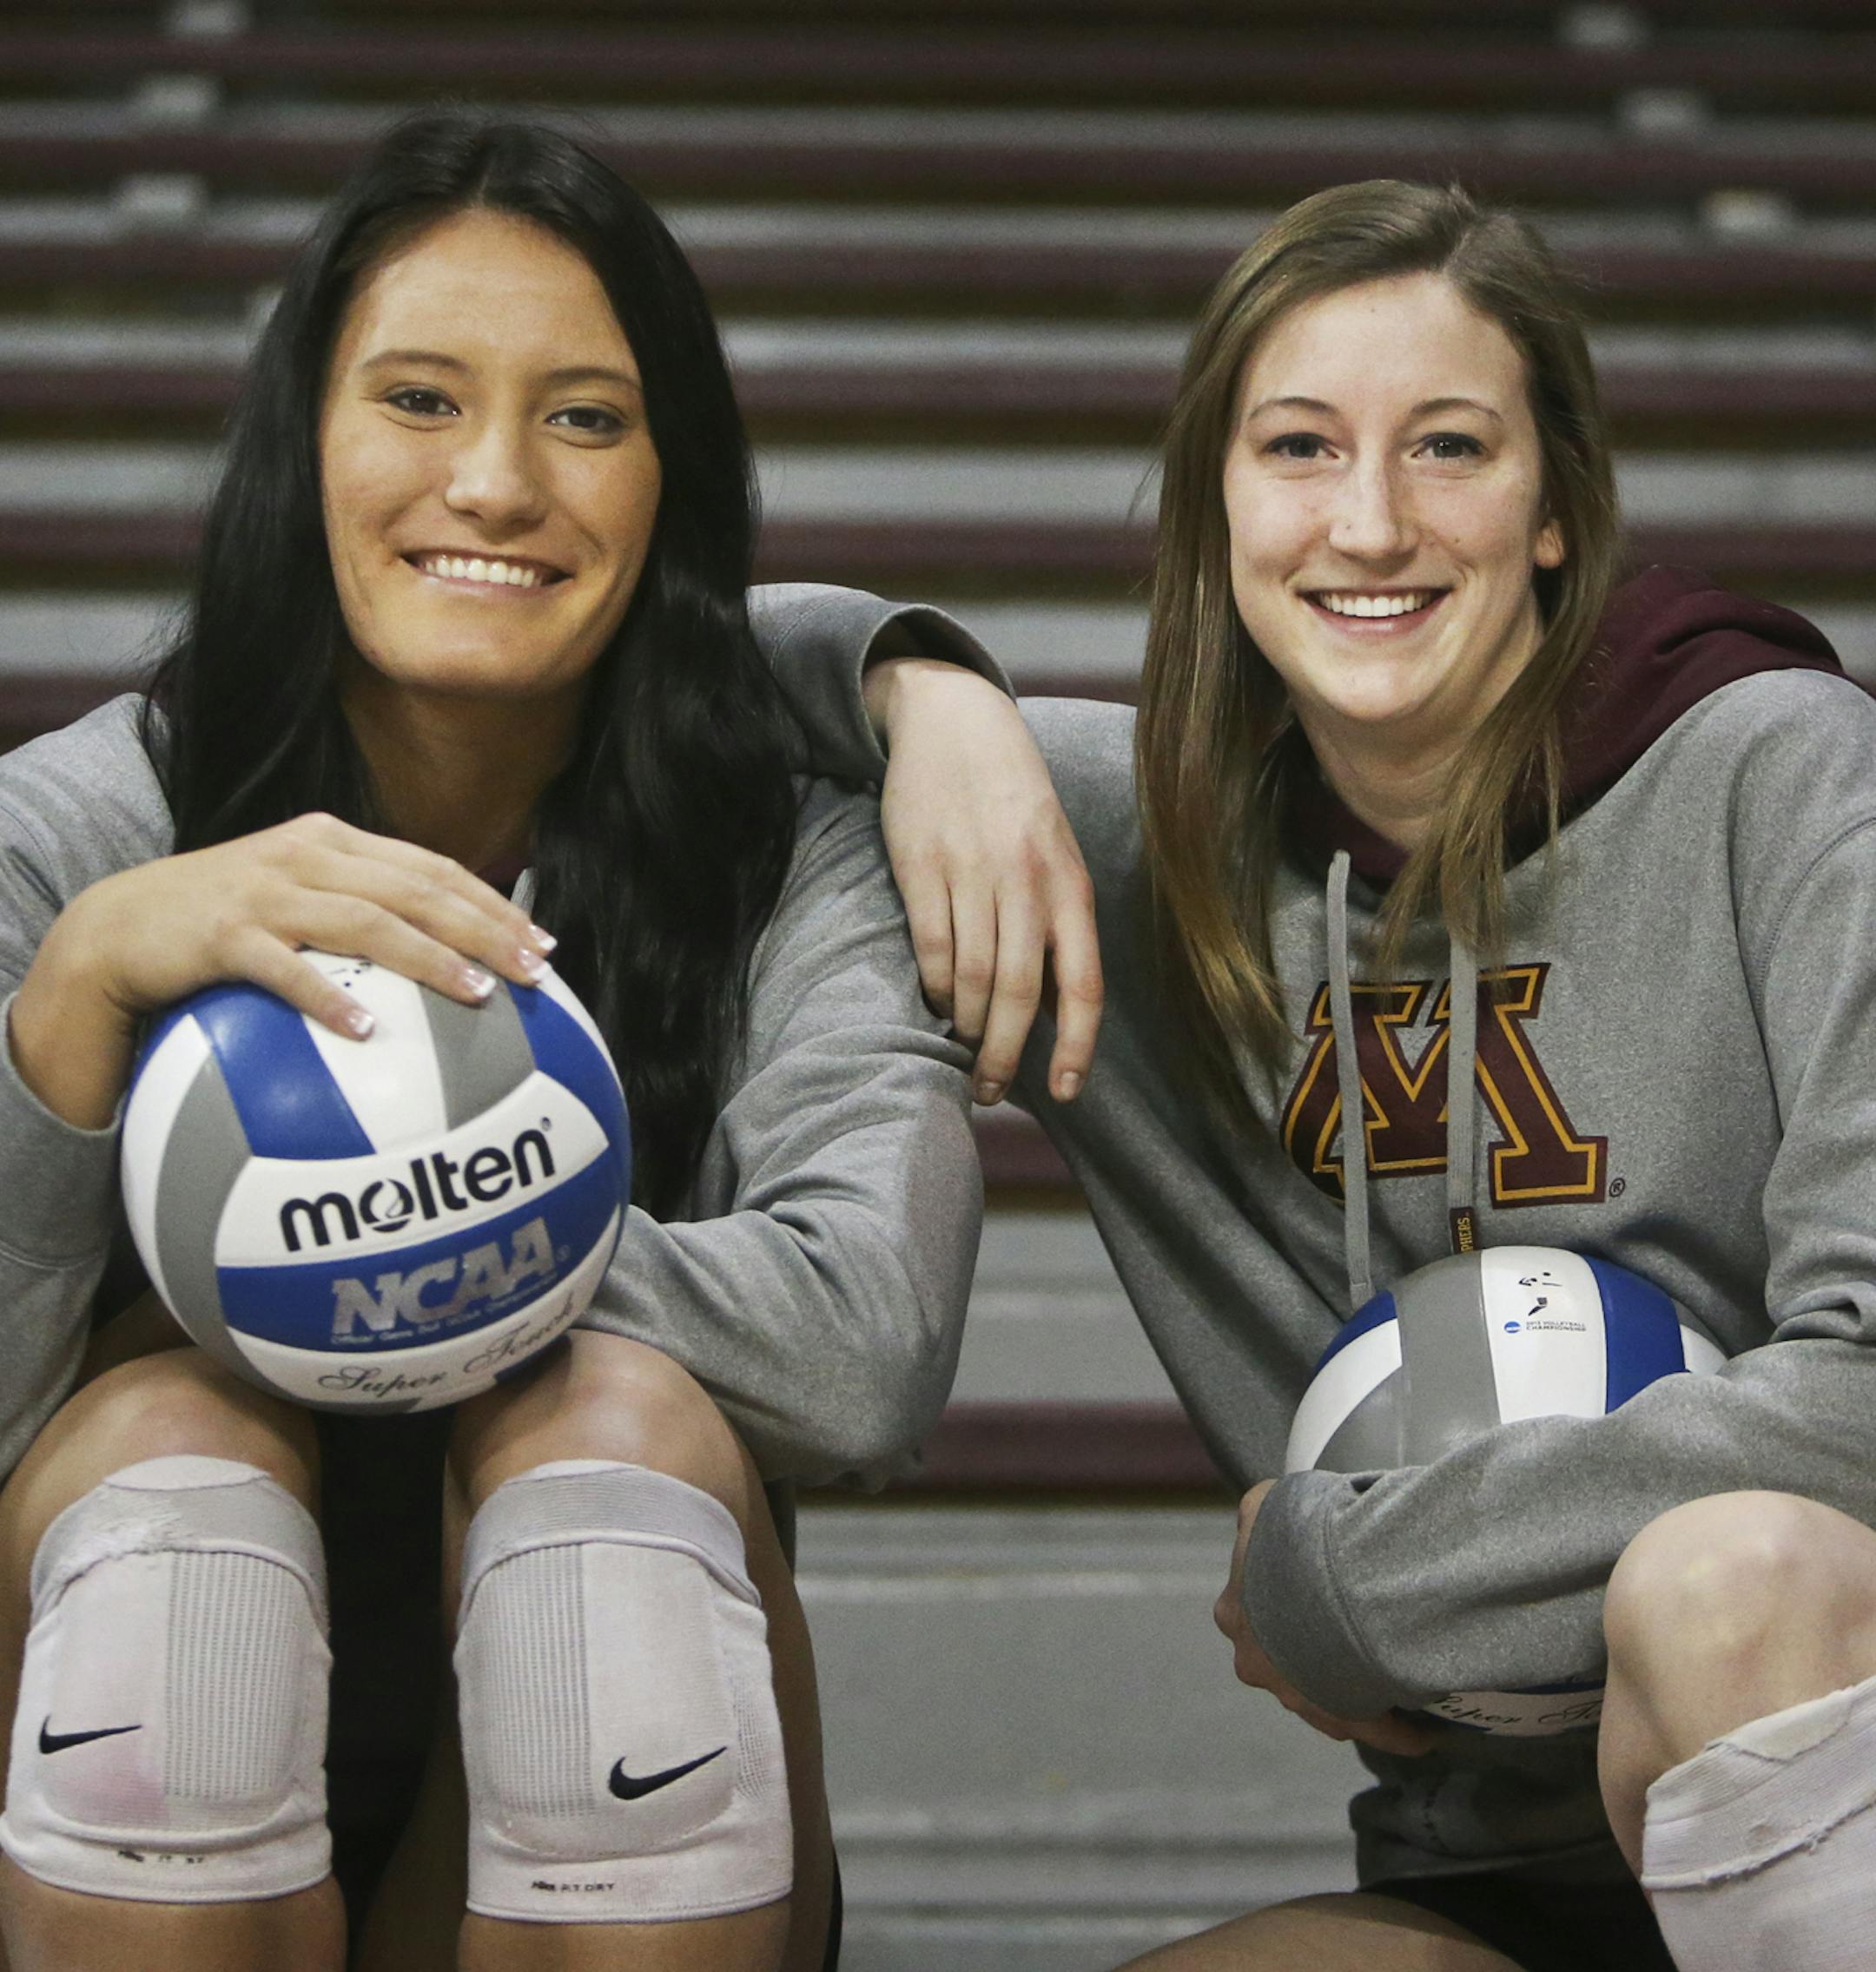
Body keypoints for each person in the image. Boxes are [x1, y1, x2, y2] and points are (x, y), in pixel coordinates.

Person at [765, 180, 1876, 1971]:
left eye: (1447, 446)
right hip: (1498, 1872)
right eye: (1300, 447)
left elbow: (1868, 1403)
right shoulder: (1137, 840)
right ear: (1218, 510)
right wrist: (922, 685)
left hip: (1821, 1744)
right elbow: (664, 673)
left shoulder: (1787, 778)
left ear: (1552, 512)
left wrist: (1343, 1577)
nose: (1370, 522)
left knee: (1722, 1577)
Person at [0, 114, 986, 1972]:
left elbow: (868, 1341)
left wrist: (427, 1247)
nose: (500, 483)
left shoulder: (792, 847)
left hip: (619, 1779)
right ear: (303, 446)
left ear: (668, 474)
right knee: (168, 1448)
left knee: (606, 1436)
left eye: (587, 417)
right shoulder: (87, 831)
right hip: (109, 1787)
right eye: (421, 398)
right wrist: (66, 1018)